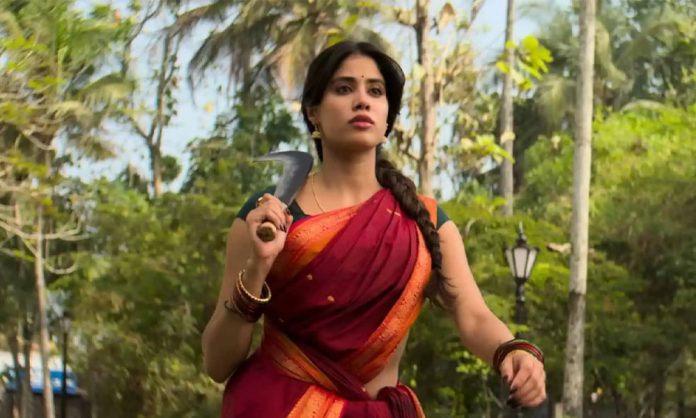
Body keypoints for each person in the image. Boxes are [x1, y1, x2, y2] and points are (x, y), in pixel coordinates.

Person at [201, 41, 546, 417]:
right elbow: (217, 363)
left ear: (387, 120)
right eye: (343, 88)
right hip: (277, 407)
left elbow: (474, 315)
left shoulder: (424, 221)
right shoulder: (269, 214)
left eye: (376, 91)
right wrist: (258, 267)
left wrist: (512, 350)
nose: (362, 100)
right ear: (314, 113)